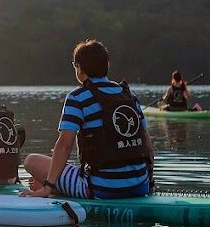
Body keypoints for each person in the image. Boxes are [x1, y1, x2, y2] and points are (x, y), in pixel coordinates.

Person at [22, 39, 153, 200]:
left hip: (101, 188)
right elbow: (146, 141)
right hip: (141, 185)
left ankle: (51, 187)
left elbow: (65, 144)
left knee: (31, 161)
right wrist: (150, 182)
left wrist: (48, 187)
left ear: (79, 69)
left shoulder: (78, 97)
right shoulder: (129, 96)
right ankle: (57, 186)